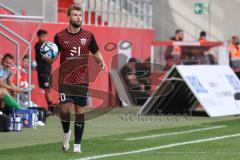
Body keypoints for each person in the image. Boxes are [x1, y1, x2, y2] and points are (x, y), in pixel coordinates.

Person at [52, 4, 106, 153]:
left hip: (82, 79)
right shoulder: (59, 36)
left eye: (80, 15)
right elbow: (53, 57)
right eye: (75, 15)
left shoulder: (88, 36)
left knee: (79, 110)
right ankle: (66, 133)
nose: (78, 18)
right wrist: (47, 57)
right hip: (65, 80)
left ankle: (77, 145)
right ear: (69, 17)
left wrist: (101, 61)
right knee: (64, 110)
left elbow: (96, 52)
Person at [35, 29, 54, 113]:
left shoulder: (45, 46)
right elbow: (45, 56)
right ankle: (51, 108)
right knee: (47, 89)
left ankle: (50, 108)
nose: (44, 38)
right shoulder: (38, 46)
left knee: (48, 88)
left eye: (45, 36)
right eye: (42, 36)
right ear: (38, 37)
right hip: (43, 71)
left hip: (48, 70)